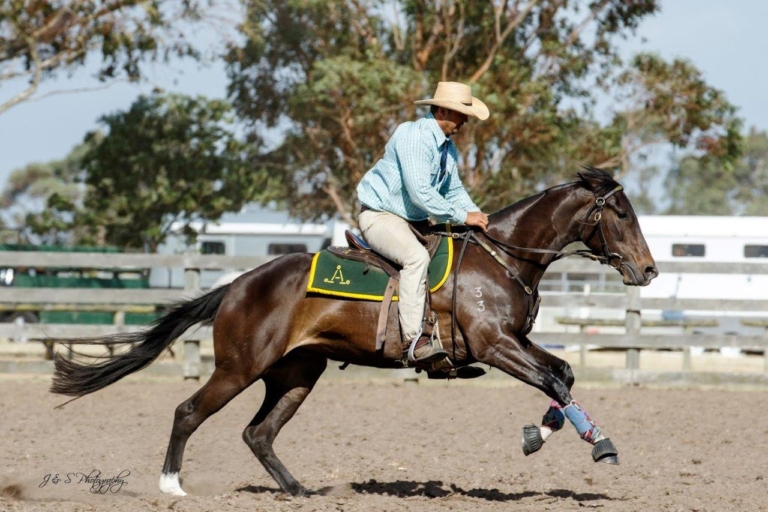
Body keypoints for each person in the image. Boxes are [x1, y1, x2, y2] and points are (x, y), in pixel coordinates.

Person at [356, 81, 490, 366]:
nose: (466, 121)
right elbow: (420, 193)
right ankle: (414, 342)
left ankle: (446, 343)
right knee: (416, 258)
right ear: (443, 111)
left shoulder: (448, 149)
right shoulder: (413, 136)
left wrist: (479, 217)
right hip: (380, 216)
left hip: (414, 222)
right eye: (462, 114)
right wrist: (463, 216)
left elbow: (454, 191)